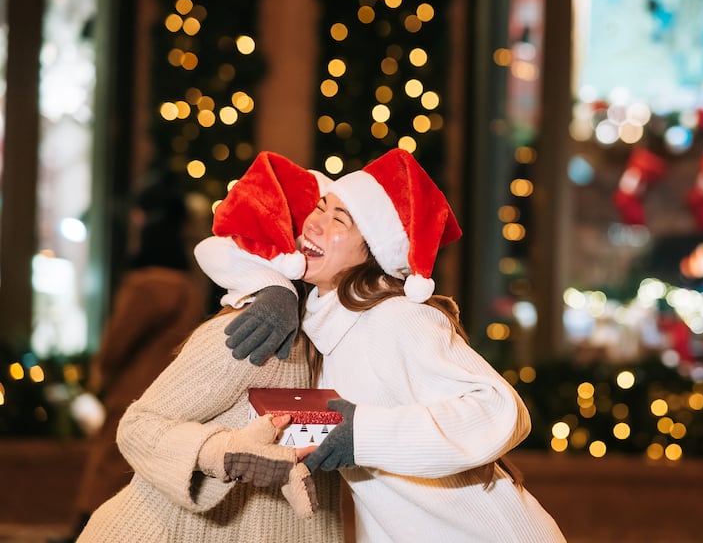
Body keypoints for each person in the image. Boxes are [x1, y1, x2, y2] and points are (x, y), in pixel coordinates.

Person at [226, 148, 566, 542]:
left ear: (373, 251)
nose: (315, 224)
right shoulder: (320, 322)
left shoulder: (396, 317)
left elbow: (498, 410)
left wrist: (362, 435)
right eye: (319, 208)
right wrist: (275, 289)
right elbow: (225, 243)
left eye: (340, 219)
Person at [76, 152, 344, 542]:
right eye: (321, 217)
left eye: (342, 221)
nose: (325, 229)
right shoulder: (257, 333)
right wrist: (228, 452)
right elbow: (137, 426)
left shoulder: (340, 339)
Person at [70, 170, 207, 536]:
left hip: (130, 389)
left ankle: (85, 532)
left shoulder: (147, 284)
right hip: (169, 389)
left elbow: (117, 343)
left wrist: (101, 374)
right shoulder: (187, 283)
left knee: (108, 469)